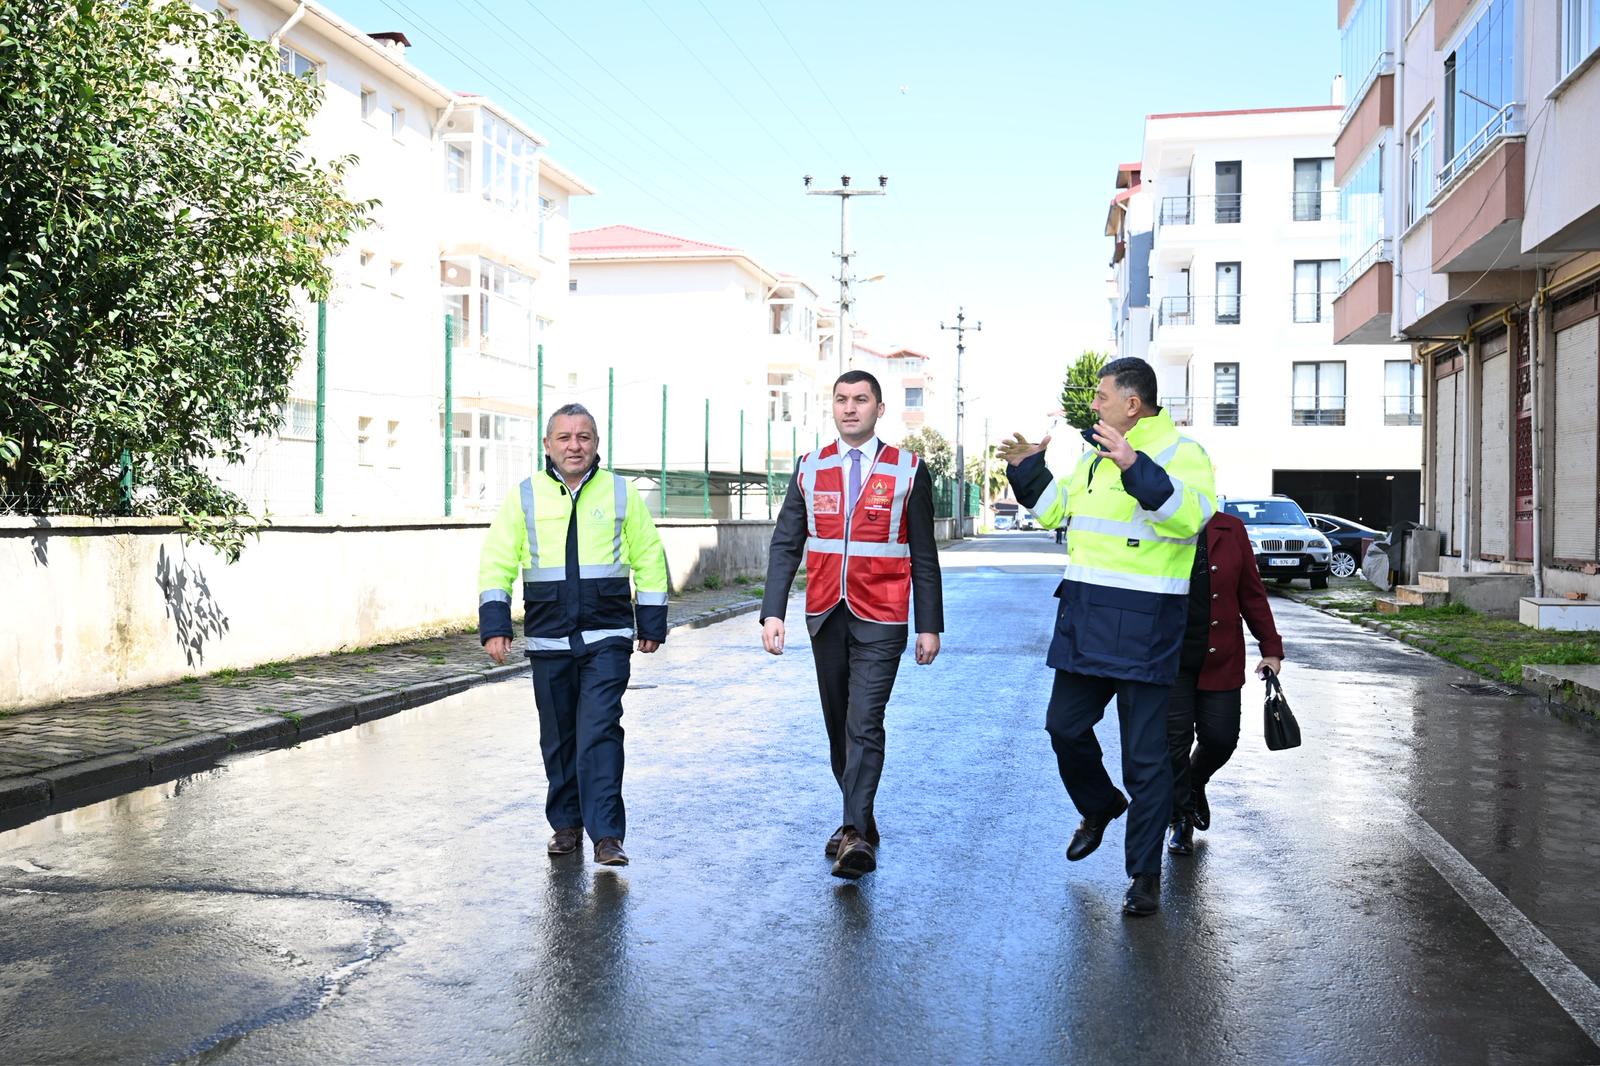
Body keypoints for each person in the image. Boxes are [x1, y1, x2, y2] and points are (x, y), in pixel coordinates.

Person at [998, 357, 1215, 916]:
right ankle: (1099, 805)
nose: (1093, 404)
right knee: (1062, 727)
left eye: (1101, 396)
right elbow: (1057, 513)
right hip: (1087, 617)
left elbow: (1190, 518)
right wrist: (1028, 469)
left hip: (1147, 626)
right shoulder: (1093, 456)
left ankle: (1143, 877)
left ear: (1132, 403)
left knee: (1145, 761)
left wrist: (1135, 464)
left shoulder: (1184, 454)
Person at [761, 370, 944, 880]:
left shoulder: (909, 470)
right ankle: (857, 819)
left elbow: (924, 554)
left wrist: (930, 624)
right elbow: (786, 543)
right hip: (826, 611)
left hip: (884, 613)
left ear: (878, 409)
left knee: (865, 721)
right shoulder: (810, 467)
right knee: (839, 726)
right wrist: (772, 610)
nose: (849, 408)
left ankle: (855, 836)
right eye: (841, 400)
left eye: (860, 400)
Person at [478, 403, 670, 868]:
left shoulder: (621, 493)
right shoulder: (524, 496)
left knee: (600, 731)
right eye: (564, 437)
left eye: (583, 437)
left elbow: (648, 556)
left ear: (596, 444)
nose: (574, 445)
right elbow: (498, 560)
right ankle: (566, 826)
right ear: (547, 445)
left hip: (607, 636)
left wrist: (651, 621)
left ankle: (606, 835)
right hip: (548, 638)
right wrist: (496, 625)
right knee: (559, 736)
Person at [1164, 510, 1284, 856]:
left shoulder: (1230, 528)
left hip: (1221, 658)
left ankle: (1194, 781)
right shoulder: (1161, 521)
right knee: (1173, 745)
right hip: (1171, 661)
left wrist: (1271, 649)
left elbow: (1251, 593)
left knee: (1221, 740)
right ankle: (1181, 819)